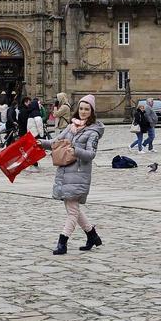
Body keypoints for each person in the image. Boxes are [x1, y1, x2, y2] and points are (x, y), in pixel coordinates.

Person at [38, 95, 104, 254]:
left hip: (79, 174)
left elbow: (90, 154)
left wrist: (76, 151)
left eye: (87, 109)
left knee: (72, 212)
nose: (83, 112)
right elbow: (57, 142)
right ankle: (92, 235)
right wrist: (42, 143)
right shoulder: (71, 126)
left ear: (92, 111)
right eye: (81, 108)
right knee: (73, 209)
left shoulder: (93, 131)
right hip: (65, 171)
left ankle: (62, 242)